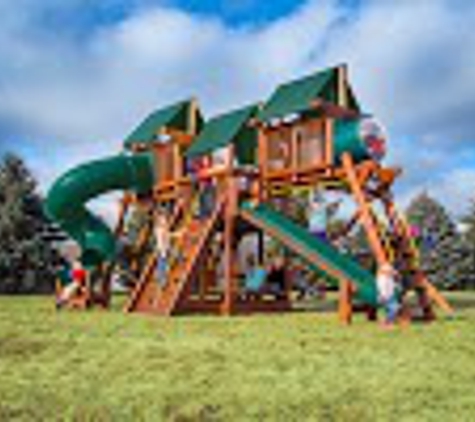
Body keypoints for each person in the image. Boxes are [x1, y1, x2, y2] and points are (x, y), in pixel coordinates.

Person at [376, 263, 400, 328]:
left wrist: (396, 285)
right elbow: (381, 288)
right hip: (384, 296)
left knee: (392, 309)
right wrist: (383, 296)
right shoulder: (382, 279)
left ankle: (387, 323)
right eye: (389, 272)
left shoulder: (389, 278)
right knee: (393, 308)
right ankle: (386, 323)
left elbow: (392, 285)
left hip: (390, 296)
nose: (390, 273)